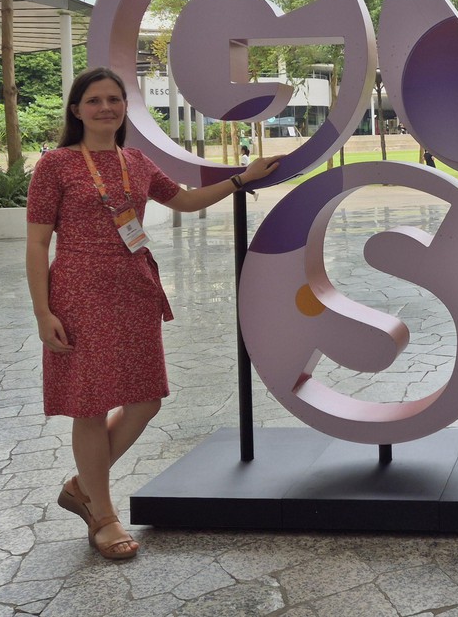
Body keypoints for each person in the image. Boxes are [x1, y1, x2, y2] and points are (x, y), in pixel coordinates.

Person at [25, 67, 280, 560]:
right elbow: (37, 243)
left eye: (114, 100)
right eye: (94, 100)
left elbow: (184, 200)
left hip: (134, 290)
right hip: (78, 292)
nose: (105, 108)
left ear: (125, 108)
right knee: (91, 405)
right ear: (76, 110)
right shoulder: (55, 166)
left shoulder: (136, 162)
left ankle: (82, 484)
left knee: (145, 400)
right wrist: (42, 311)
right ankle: (103, 513)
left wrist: (241, 179)